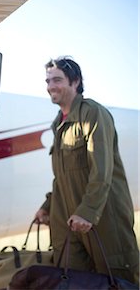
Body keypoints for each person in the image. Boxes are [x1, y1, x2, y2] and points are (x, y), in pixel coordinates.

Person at [34, 56, 139, 285]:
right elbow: (62, 177)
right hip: (69, 220)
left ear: (75, 82)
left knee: (118, 280)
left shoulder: (93, 113)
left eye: (57, 80)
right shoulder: (59, 123)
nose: (51, 86)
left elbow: (102, 170)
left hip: (102, 217)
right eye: (48, 80)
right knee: (73, 281)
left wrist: (88, 211)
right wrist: (48, 207)